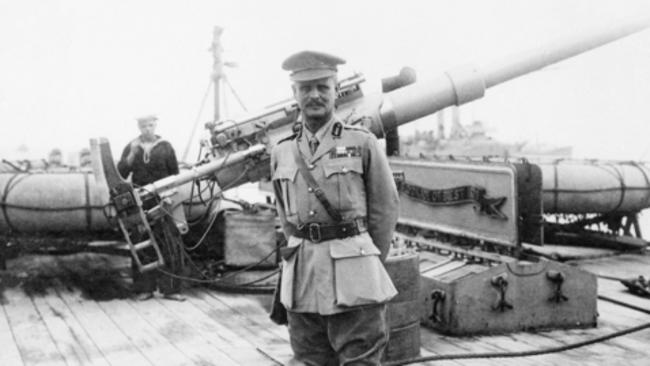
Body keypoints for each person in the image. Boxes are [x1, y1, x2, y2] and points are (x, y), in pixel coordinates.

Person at [270, 51, 400, 365]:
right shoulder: (282, 150)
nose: (314, 95)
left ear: (335, 89)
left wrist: (365, 260)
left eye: (322, 86)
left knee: (361, 359)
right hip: (303, 278)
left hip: (354, 276)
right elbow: (285, 216)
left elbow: (385, 209)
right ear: (294, 94)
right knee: (308, 359)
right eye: (305, 88)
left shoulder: (362, 142)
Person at [117, 114, 185, 301]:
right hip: (140, 201)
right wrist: (131, 154)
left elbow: (175, 175)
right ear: (139, 127)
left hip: (163, 199)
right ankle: (144, 289)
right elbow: (122, 173)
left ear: (155, 125)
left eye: (150, 125)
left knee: (170, 242)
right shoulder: (132, 146)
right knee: (142, 243)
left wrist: (170, 197)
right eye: (144, 126)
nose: (148, 129)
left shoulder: (166, 147)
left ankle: (171, 290)